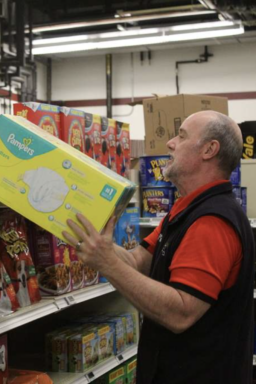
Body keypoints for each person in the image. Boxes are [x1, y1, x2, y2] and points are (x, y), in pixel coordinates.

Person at [63, 110, 254, 383]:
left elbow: (181, 312)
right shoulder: (184, 209)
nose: (170, 143)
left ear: (210, 150)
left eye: (182, 136)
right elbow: (136, 261)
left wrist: (107, 262)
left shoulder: (212, 222)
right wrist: (93, 241)